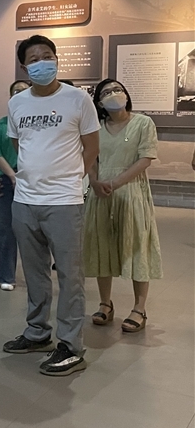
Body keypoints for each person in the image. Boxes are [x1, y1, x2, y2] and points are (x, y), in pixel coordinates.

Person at [3, 34, 100, 377]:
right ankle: (37, 332)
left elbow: (92, 146)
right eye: (34, 59)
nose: (42, 62)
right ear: (24, 66)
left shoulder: (78, 99)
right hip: (25, 200)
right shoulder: (17, 103)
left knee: (70, 275)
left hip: (64, 202)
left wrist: (71, 178)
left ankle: (71, 346)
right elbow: (18, 144)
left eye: (47, 56)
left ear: (56, 59)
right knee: (34, 272)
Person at [84, 79, 162, 333]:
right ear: (99, 102)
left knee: (137, 246)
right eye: (106, 92)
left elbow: (145, 158)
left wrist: (115, 183)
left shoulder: (143, 123)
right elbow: (90, 158)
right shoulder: (95, 127)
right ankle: (105, 303)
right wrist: (94, 182)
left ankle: (139, 308)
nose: (114, 94)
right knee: (102, 246)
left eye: (117, 89)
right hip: (101, 193)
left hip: (131, 192)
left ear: (126, 95)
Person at [0, 80, 31, 290]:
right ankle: (6, 276)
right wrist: (13, 176)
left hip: (32, 179)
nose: (19, 94)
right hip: (6, 179)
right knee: (6, 228)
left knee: (32, 229)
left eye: (23, 91)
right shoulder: (3, 124)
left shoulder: (36, 124)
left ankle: (34, 275)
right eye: (15, 91)